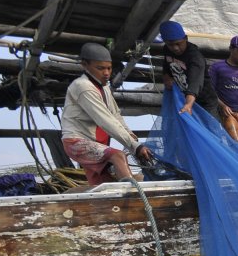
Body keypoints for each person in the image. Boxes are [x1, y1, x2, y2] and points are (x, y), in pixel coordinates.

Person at [61, 42, 150, 186]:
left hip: (96, 143)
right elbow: (105, 120)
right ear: (85, 65)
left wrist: (130, 135)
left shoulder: (105, 88)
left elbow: (115, 114)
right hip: (76, 142)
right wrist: (135, 146)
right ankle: (135, 196)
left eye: (109, 68)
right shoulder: (83, 87)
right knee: (118, 156)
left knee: (102, 182)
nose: (107, 73)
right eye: (100, 68)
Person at [159, 20, 219, 117]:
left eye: (178, 43)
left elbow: (195, 83)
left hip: (204, 102)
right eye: (171, 45)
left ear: (186, 38)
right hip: (184, 98)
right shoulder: (167, 49)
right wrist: (166, 77)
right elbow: (166, 66)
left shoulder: (195, 57)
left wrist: (188, 104)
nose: (175, 48)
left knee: (209, 129)